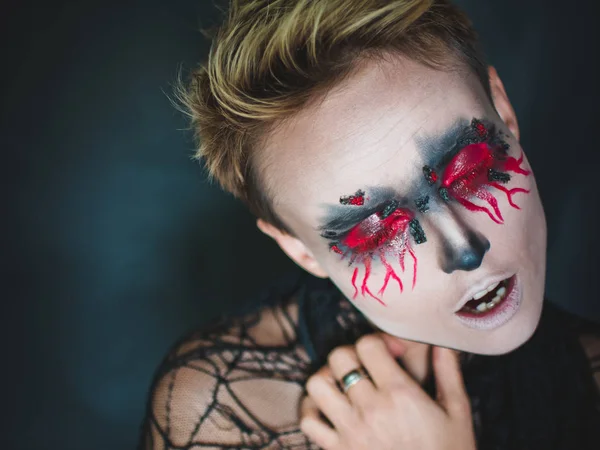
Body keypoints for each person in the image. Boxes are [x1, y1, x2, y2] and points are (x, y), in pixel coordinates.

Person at [138, 0, 600, 448]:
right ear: (299, 250)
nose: (464, 249)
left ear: (504, 113)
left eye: (470, 169)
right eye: (377, 230)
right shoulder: (227, 407)